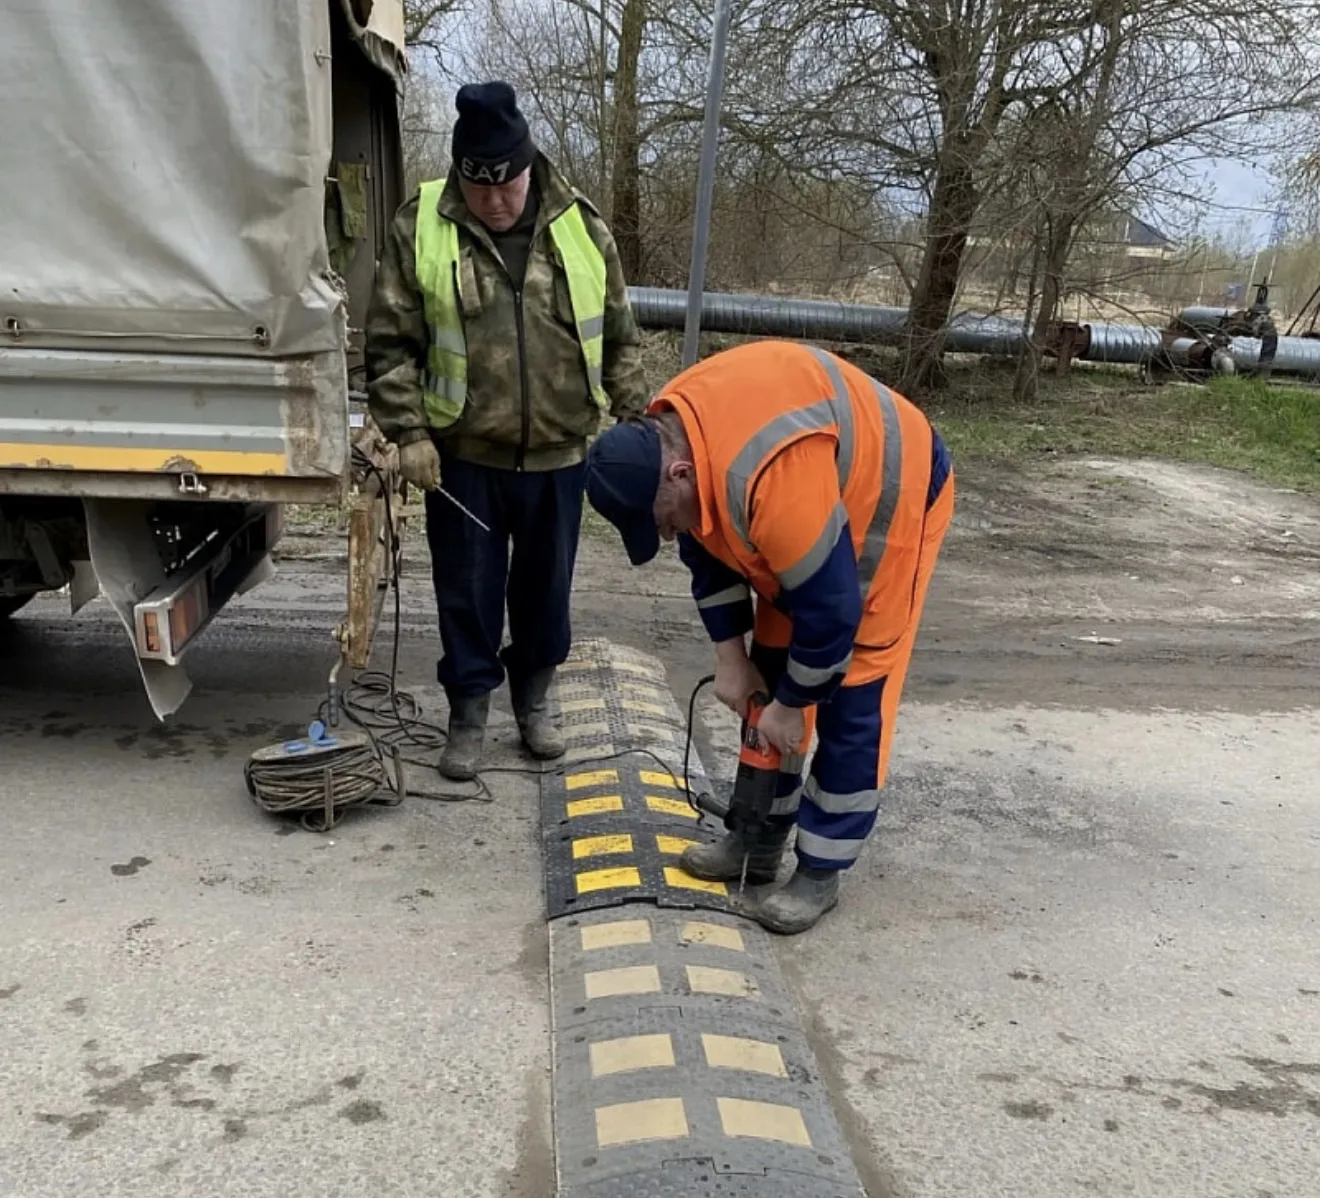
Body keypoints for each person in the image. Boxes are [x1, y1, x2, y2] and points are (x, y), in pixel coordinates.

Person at [583, 339, 954, 934]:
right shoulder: (675, 434)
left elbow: (832, 611)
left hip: (893, 497)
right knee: (771, 668)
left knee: (852, 688)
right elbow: (709, 548)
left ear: (677, 472)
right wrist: (732, 661)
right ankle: (756, 840)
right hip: (806, 512)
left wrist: (794, 704)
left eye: (662, 522)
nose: (670, 537)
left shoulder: (766, 474)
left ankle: (821, 869)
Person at [365, 81, 648, 780]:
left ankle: (535, 702)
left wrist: (643, 421)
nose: (494, 201)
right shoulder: (421, 224)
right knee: (468, 590)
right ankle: (468, 713)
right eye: (479, 186)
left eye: (507, 185)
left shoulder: (581, 226)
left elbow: (619, 338)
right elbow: (389, 344)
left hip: (558, 454)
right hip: (462, 455)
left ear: (529, 166)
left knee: (545, 591)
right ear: (462, 174)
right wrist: (410, 434)